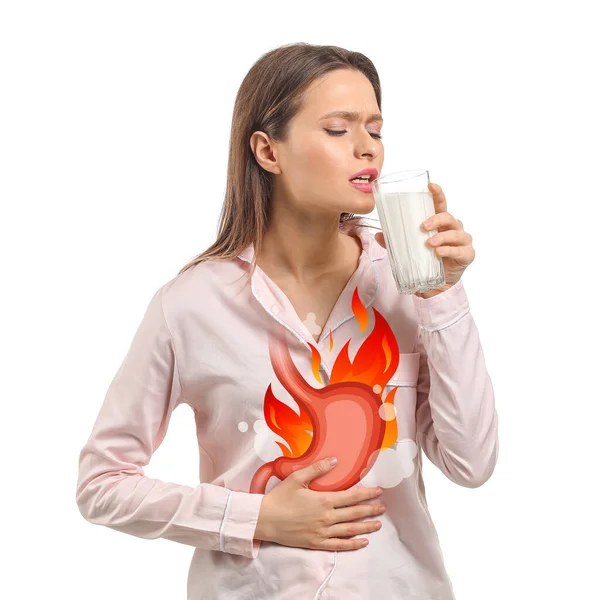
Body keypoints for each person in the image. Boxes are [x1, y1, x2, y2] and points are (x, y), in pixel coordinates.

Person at [75, 42, 499, 600]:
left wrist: (444, 294)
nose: (367, 148)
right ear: (267, 150)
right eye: (337, 129)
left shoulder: (409, 284)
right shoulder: (190, 304)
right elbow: (102, 484)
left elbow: (471, 463)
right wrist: (254, 518)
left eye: (374, 128)